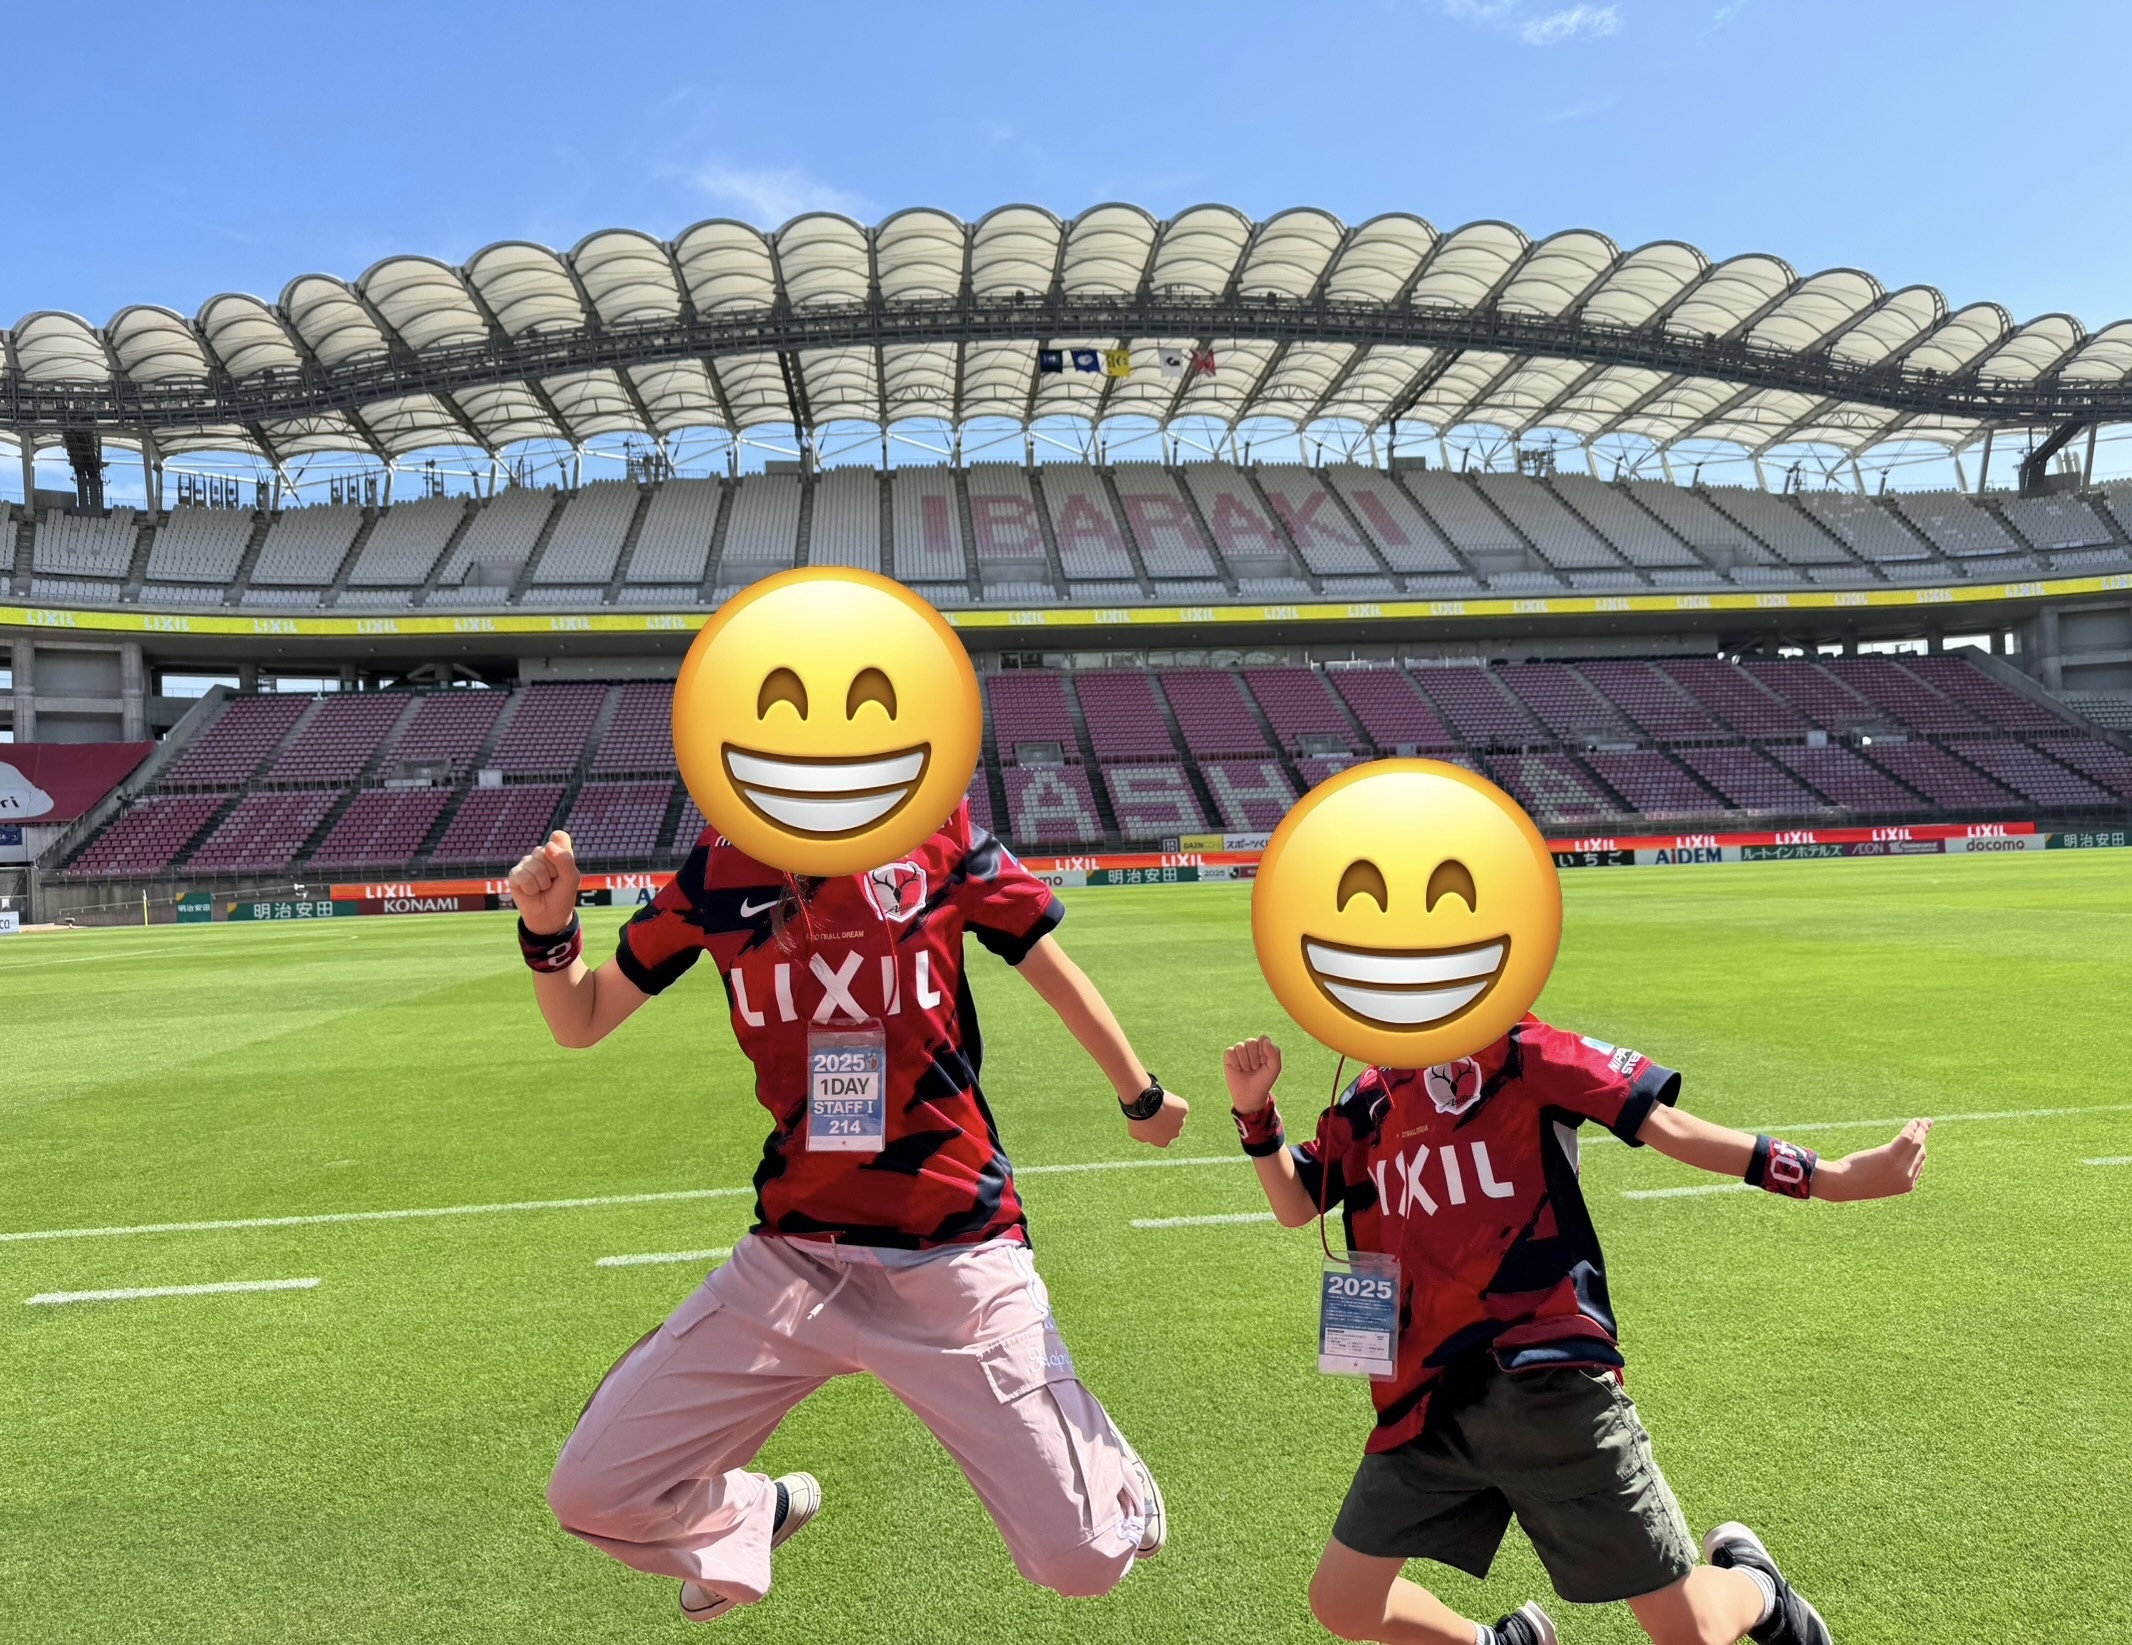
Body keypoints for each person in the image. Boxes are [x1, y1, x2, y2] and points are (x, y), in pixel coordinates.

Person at [510, 809, 1189, 1623]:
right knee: (591, 1489)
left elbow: (1046, 962)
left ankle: (1109, 1467)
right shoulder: (718, 868)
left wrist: (1140, 1094)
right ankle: (750, 1516)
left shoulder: (936, 829)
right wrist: (549, 932)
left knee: (1085, 1559)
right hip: (797, 1257)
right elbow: (581, 1017)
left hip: (954, 1246)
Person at [1220, 1023, 1931, 1645]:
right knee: (1342, 1602)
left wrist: (1830, 1176)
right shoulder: (1368, 1098)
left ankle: (1757, 1588)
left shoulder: (1524, 1052)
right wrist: (1255, 1114)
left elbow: (1667, 1126)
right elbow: (1296, 1199)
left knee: (1688, 1631)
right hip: (1427, 1403)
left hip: (1546, 1379)